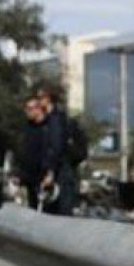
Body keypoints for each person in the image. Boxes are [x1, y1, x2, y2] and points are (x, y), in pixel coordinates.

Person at [34, 85, 80, 216]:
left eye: (40, 98)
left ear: (48, 99)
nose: (38, 102)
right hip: (59, 172)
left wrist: (51, 172)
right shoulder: (51, 119)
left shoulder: (55, 119)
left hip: (61, 174)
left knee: (61, 214)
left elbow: (56, 147)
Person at [16, 95, 47, 209]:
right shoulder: (27, 128)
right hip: (29, 178)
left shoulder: (47, 128)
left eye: (30, 108)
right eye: (26, 109)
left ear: (38, 109)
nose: (27, 112)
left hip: (43, 177)